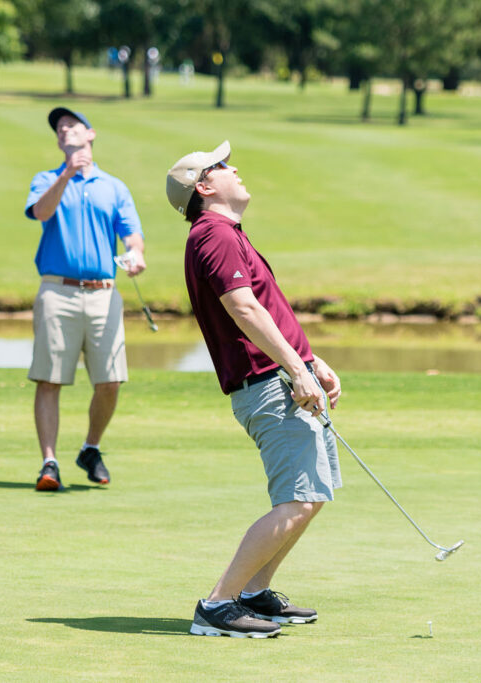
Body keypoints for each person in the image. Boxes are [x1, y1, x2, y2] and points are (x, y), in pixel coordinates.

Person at [166, 141, 343, 638]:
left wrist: (311, 360)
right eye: (221, 166)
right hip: (269, 383)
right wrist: (297, 370)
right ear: (203, 187)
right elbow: (242, 309)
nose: (234, 168)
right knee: (299, 498)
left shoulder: (226, 233)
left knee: (313, 493)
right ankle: (218, 605)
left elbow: (267, 309)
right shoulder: (214, 234)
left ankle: (253, 595)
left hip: (282, 375)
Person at [23, 107, 146, 490]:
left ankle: (90, 448)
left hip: (103, 294)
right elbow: (42, 212)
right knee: (50, 379)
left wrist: (135, 254)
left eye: (71, 125)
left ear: (90, 134)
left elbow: (131, 234)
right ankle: (49, 463)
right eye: (59, 128)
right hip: (57, 290)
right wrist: (68, 174)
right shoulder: (47, 178)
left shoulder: (114, 186)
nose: (64, 130)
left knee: (110, 381)